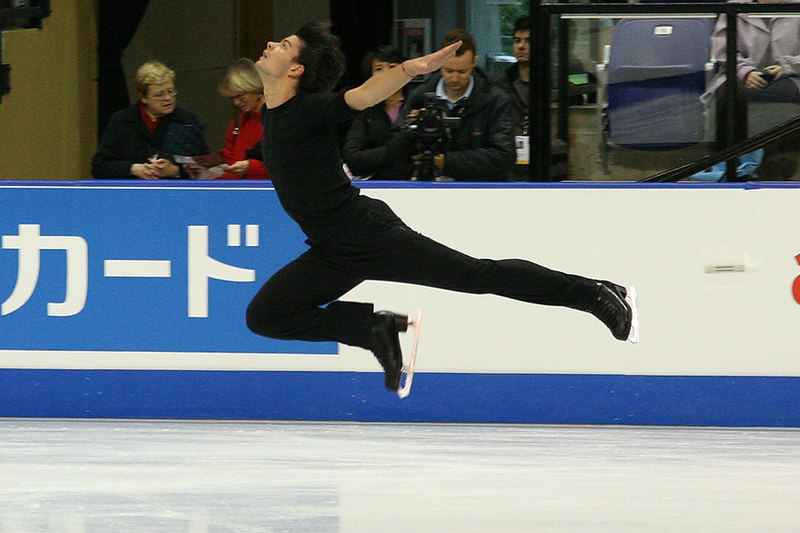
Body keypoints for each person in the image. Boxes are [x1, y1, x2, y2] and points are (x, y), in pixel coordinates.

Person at [245, 21, 637, 394]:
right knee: (266, 316)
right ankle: (374, 329)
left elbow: (363, 96)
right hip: (332, 248)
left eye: (283, 45)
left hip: (366, 233)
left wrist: (408, 70)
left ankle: (594, 294)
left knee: (477, 275)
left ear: (296, 68)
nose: (270, 45)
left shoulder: (309, 108)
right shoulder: (273, 112)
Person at [391, 29, 516, 181]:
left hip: (480, 189)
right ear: (438, 65)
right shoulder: (420, 96)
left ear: (474, 63)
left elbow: (504, 155)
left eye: (462, 71)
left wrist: (447, 162)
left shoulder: (496, 99)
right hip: (428, 185)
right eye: (448, 71)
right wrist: (410, 132)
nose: (455, 78)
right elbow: (395, 146)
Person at [705, 0, 800, 177]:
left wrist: (786, 67)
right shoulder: (736, 6)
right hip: (741, 75)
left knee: (780, 97)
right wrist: (746, 72)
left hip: (792, 76)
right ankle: (726, 164)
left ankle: (777, 164)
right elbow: (723, 50)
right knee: (730, 93)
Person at [92, 60, 208, 179]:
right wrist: (133, 169)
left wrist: (176, 171)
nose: (168, 98)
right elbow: (99, 167)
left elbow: (206, 167)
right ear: (143, 98)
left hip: (174, 192)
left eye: (171, 91)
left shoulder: (186, 120)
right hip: (133, 191)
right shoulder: (122, 120)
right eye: (159, 95)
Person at [341, 45, 411, 180]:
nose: (387, 74)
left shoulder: (417, 103)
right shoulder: (365, 112)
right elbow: (353, 159)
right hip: (378, 187)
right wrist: (394, 150)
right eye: (379, 69)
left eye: (393, 66)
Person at [215, 58, 269, 180]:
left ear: (255, 87)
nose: (236, 102)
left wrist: (252, 167)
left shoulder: (277, 120)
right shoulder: (236, 125)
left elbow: (288, 166)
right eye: (232, 98)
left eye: (240, 96)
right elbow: (229, 163)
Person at [495, 16, 532, 181]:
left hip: (547, 166)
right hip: (509, 169)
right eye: (517, 40)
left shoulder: (555, 85)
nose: (521, 46)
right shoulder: (500, 85)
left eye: (528, 41)